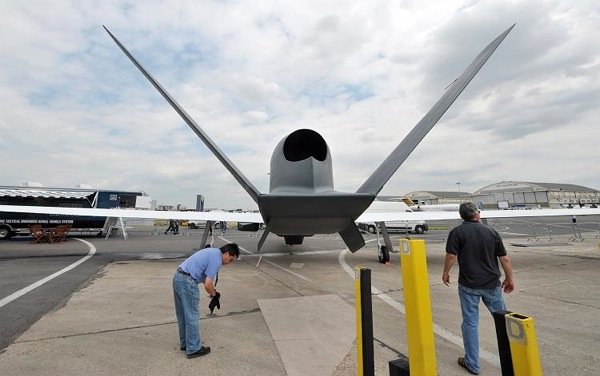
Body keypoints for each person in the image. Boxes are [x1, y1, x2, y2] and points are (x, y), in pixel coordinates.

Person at [442, 202, 514, 375]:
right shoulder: (491, 232)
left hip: (468, 285)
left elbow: (452, 255)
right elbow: (504, 258)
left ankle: (472, 364)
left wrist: (446, 272)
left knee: (470, 323)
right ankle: (515, 358)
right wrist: (509, 278)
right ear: (477, 214)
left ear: (462, 216)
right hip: (492, 285)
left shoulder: (457, 232)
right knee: (503, 322)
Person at [173, 243, 239, 358]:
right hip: (187, 282)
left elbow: (204, 277)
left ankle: (185, 344)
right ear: (227, 254)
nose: (229, 263)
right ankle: (193, 348)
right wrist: (214, 294)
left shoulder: (211, 252)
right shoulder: (217, 259)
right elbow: (208, 284)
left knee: (183, 315)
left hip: (178, 277)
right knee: (192, 316)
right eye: (231, 260)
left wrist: (213, 290)